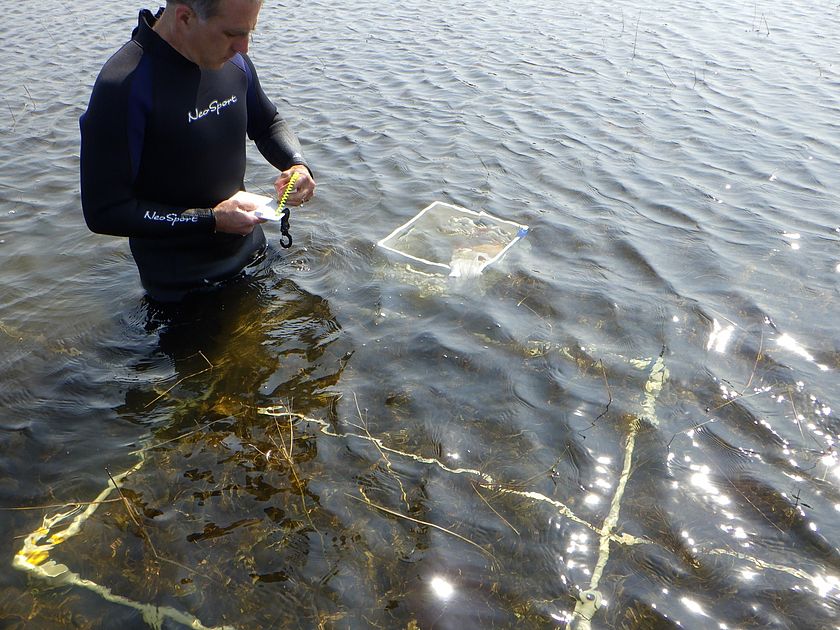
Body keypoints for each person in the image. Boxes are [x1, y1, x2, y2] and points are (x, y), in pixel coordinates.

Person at [80, 0, 316, 302]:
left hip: (256, 259)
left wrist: (296, 164)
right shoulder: (124, 86)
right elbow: (104, 212)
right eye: (232, 34)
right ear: (185, 17)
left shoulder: (234, 61)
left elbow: (267, 123)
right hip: (181, 292)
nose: (243, 47)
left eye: (249, 33)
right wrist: (211, 219)